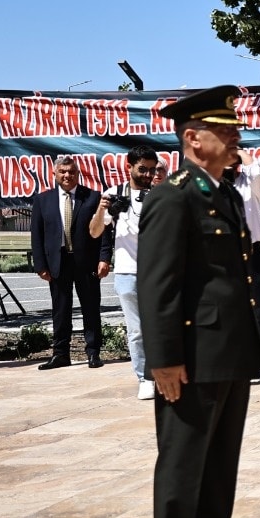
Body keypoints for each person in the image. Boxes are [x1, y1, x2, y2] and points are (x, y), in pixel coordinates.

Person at [138, 86, 260, 518]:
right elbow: (159, 285)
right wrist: (165, 360)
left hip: (228, 349)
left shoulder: (223, 191)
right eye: (226, 130)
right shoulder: (172, 196)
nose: (237, 137)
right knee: (184, 455)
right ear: (194, 139)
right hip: (191, 355)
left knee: (220, 456)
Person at [89, 147, 159, 399]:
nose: (147, 174)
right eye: (142, 168)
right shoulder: (114, 194)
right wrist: (101, 209)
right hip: (128, 272)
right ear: (128, 166)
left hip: (159, 273)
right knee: (137, 329)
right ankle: (144, 378)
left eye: (151, 169)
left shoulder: (161, 195)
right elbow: (95, 232)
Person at [30, 155, 106, 369]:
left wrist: (104, 259)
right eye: (63, 172)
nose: (67, 175)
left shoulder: (92, 197)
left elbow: (103, 232)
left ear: (78, 174)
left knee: (91, 308)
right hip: (58, 263)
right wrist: (40, 265)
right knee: (60, 310)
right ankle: (61, 353)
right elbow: (37, 235)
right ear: (54, 174)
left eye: (71, 172)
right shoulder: (42, 200)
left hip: (86, 263)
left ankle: (93, 352)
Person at [224, 150, 260, 386]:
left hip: (251, 254)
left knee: (259, 312)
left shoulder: (251, 183)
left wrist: (239, 150)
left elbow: (257, 171)